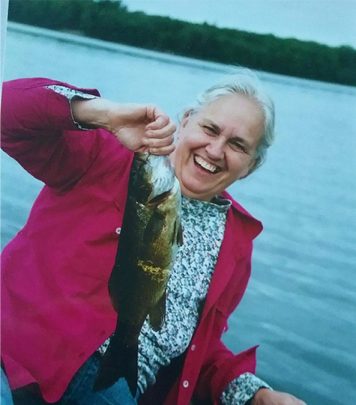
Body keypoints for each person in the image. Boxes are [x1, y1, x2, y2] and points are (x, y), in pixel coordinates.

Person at [1, 70, 306, 405]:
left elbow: (197, 347)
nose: (216, 150)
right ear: (187, 120)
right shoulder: (109, 154)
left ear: (251, 165)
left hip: (115, 386)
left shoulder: (236, 242)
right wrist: (103, 114)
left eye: (237, 145)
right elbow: (8, 112)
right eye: (210, 129)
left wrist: (255, 394)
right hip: (18, 353)